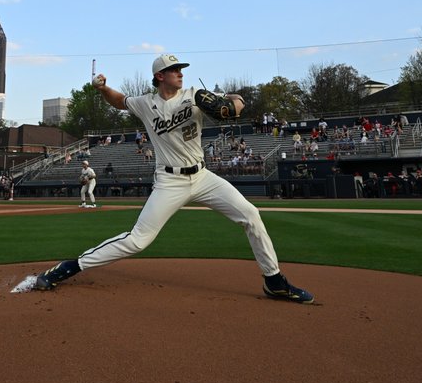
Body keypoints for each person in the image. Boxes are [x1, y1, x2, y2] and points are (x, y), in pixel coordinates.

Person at [33, 53, 313, 303]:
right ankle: (70, 266)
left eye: (181, 68)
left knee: (251, 215)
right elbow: (119, 101)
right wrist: (104, 87)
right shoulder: (146, 103)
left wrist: (236, 102)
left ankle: (274, 281)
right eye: (174, 69)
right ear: (159, 76)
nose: (180, 72)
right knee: (138, 240)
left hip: (202, 176)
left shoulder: (196, 96)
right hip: (170, 181)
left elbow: (235, 104)